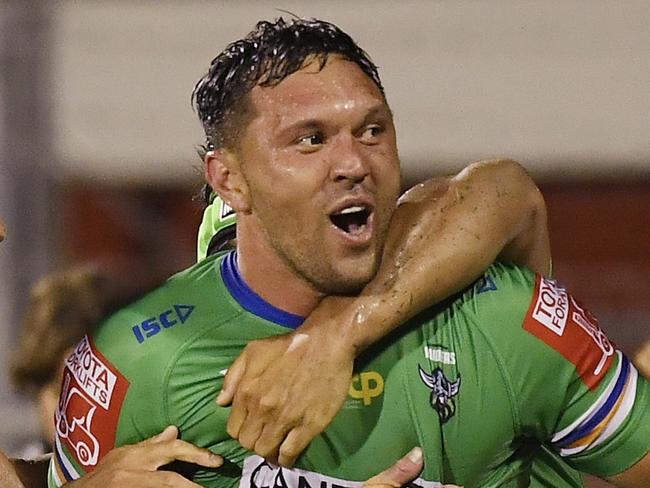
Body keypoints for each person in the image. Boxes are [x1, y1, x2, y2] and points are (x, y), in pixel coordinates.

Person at [49, 17, 648, 488]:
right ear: (230, 184)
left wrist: (337, 333)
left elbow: (503, 191)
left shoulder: (504, 315)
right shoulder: (133, 364)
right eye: (309, 141)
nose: (355, 164)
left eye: (372, 131)